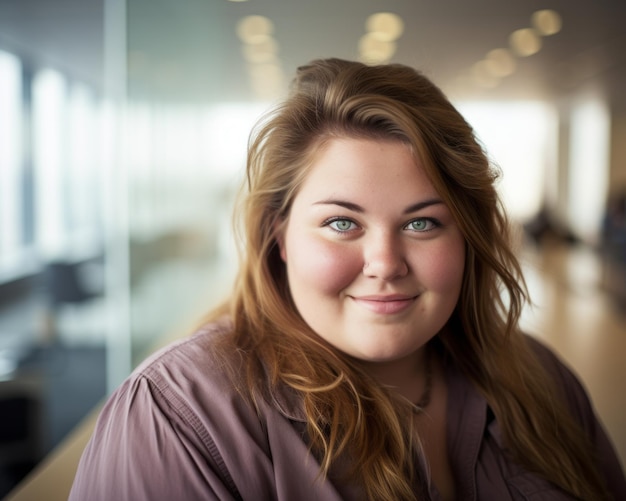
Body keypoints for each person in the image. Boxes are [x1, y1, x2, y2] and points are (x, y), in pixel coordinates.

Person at [69, 58, 626, 501]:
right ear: (278, 236)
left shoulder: (538, 378)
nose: (385, 262)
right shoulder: (180, 421)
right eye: (341, 223)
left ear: (467, 237)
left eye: (422, 222)